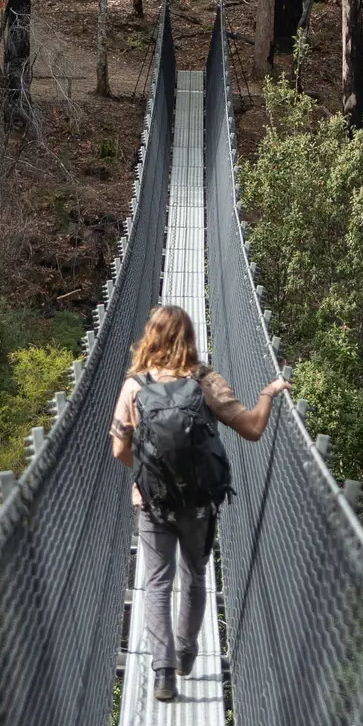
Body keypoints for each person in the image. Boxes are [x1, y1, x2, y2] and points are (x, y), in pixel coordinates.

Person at [109, 301, 287, 703]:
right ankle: (187, 652)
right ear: (190, 338)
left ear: (148, 339)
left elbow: (119, 447)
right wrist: (267, 393)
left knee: (155, 583)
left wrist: (148, 470)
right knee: (194, 576)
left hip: (153, 502)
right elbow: (253, 428)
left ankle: (163, 671)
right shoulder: (205, 381)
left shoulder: (134, 386)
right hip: (200, 503)